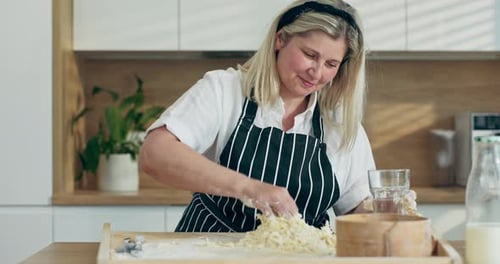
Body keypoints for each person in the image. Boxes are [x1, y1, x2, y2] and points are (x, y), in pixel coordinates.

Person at [139, 0, 374, 232]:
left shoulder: (339, 122)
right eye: (310, 54)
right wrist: (250, 188)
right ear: (280, 39)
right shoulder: (225, 90)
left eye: (331, 64)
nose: (317, 72)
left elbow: (355, 207)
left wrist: (388, 210)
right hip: (210, 252)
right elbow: (155, 153)